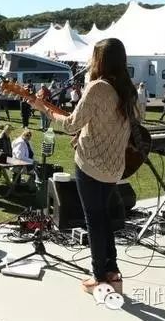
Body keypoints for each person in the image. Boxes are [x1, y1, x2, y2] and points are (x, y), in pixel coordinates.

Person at [30, 38, 135, 295]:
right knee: (104, 219)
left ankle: (99, 276)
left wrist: (43, 109)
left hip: (91, 165)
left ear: (100, 60)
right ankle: (112, 272)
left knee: (94, 221)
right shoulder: (128, 89)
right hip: (114, 167)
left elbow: (70, 125)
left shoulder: (98, 87)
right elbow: (109, 124)